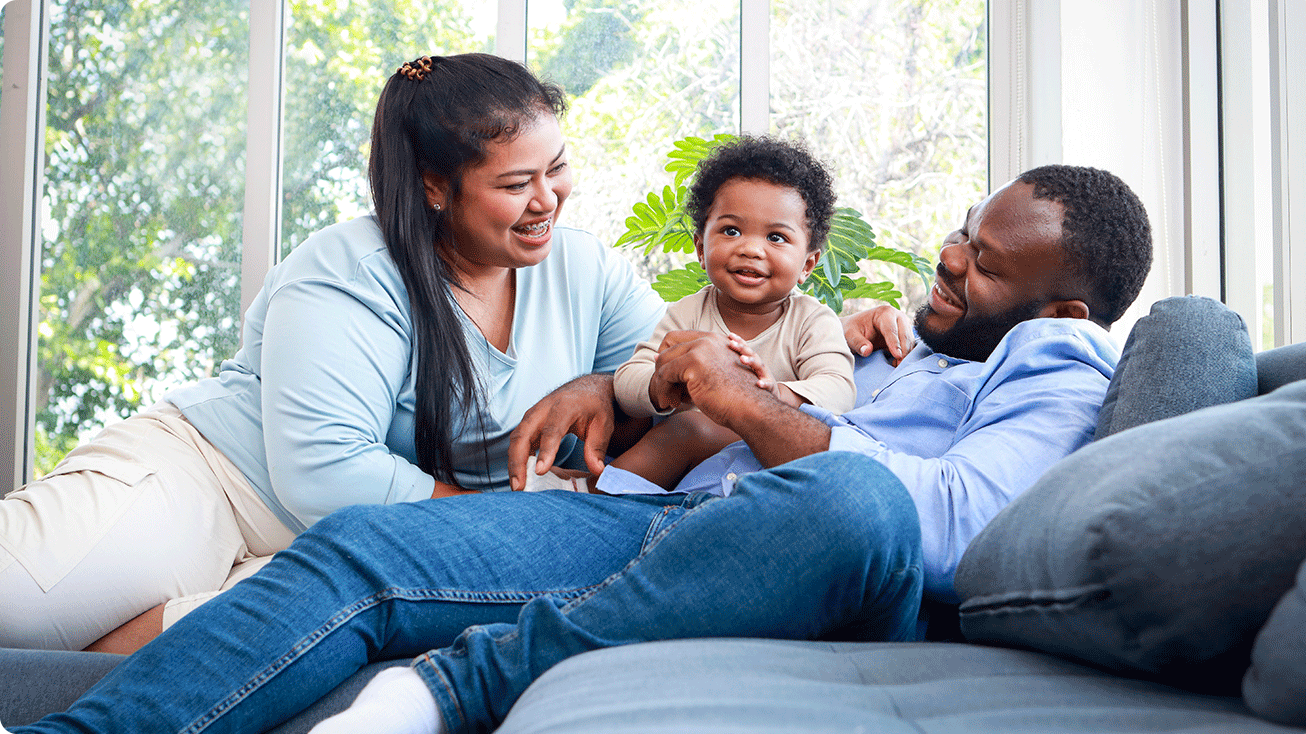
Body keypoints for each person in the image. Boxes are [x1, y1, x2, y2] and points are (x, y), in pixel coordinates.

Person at [2, 163, 1153, 734]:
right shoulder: (920, 344)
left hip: (818, 561)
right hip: (666, 521)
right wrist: (620, 385)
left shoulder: (1058, 360)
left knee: (852, 497)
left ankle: (447, 689)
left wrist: (745, 408)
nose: (951, 261)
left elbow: (946, 524)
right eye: (964, 234)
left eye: (987, 265)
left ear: (1063, 307)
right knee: (365, 545)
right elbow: (698, 374)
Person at [0, 53, 668, 654]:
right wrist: (498, 530)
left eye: (556, 168)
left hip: (325, 548)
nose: (548, 199)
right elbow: (327, 469)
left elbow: (664, 378)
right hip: (214, 484)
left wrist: (602, 385)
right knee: (15, 613)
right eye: (516, 183)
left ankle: (122, 644)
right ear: (436, 186)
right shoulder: (351, 270)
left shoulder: (586, 271)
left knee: (160, 653)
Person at [529, 136, 856, 494]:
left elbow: (839, 391)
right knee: (678, 430)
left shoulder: (811, 321)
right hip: (685, 475)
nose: (750, 248)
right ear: (701, 248)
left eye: (776, 237)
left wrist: (768, 394)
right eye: (731, 231)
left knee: (690, 430)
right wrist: (661, 387)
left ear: (808, 262)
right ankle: (593, 491)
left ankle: (591, 493)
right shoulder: (689, 314)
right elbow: (627, 380)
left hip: (765, 461)